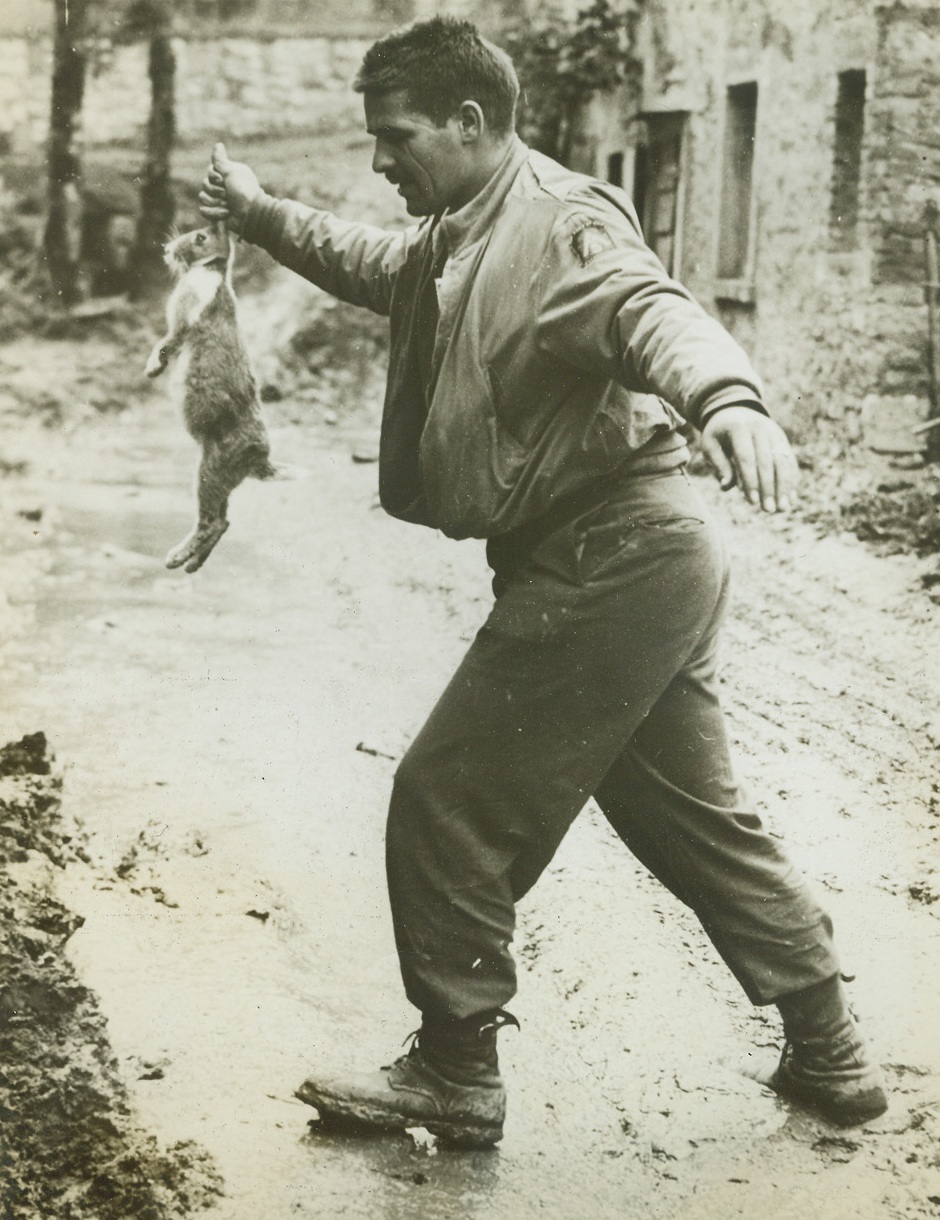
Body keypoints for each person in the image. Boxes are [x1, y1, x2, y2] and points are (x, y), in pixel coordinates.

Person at [199, 16, 887, 1149]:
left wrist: (728, 396)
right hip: (634, 555)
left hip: (612, 550)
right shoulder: (457, 230)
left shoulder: (560, 223)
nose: (380, 160)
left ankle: (455, 1068)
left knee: (447, 792)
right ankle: (832, 1051)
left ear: (470, 123)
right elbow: (371, 261)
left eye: (395, 136)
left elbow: (648, 307)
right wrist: (266, 214)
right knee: (688, 817)